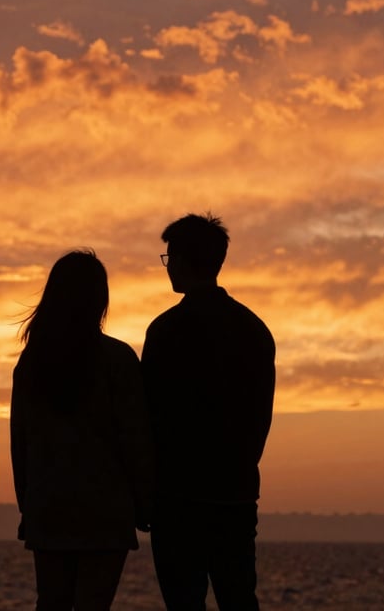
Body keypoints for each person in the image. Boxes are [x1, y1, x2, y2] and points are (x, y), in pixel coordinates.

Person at [142, 213, 275, 611]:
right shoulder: (253, 329)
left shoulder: (165, 330)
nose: (168, 269)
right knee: (238, 600)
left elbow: (148, 417)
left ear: (181, 259)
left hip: (176, 499)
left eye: (169, 258)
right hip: (233, 497)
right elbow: (259, 421)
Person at [11, 250, 153, 611]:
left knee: (52, 604)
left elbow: (20, 445)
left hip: (49, 510)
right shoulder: (118, 360)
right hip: (105, 514)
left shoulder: (32, 362)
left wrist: (29, 505)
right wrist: (143, 504)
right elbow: (134, 439)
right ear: (99, 299)